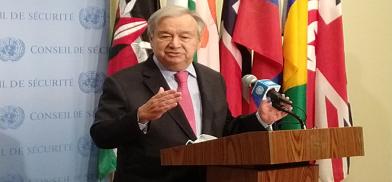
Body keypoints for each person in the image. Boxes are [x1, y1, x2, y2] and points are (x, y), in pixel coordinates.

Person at [90, 5, 290, 182]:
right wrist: (140, 117)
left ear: (198, 40)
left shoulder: (213, 79)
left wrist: (260, 120)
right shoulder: (123, 82)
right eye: (165, 35)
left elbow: (225, 131)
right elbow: (101, 135)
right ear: (151, 38)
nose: (175, 44)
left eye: (184, 36)